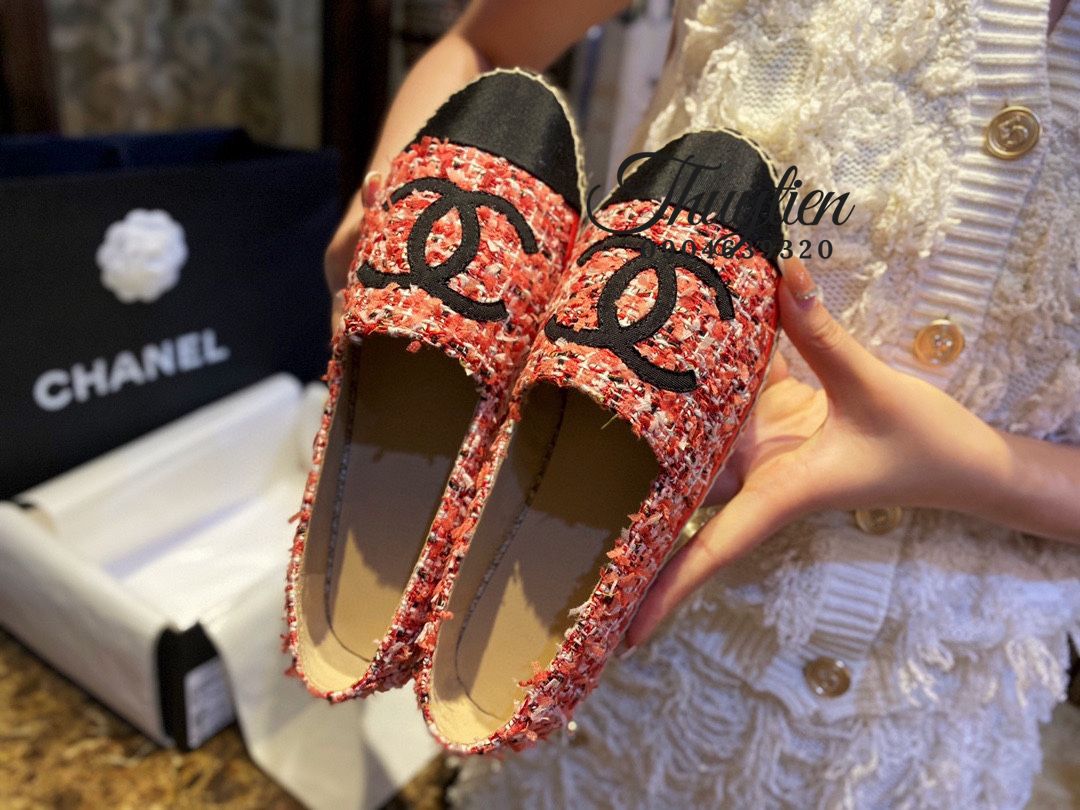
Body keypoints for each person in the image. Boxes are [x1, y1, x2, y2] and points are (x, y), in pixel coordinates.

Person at [326, 0, 1080, 806]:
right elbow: (484, 43)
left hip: (936, 722)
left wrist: (966, 469)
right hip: (612, 652)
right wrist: (369, 222)